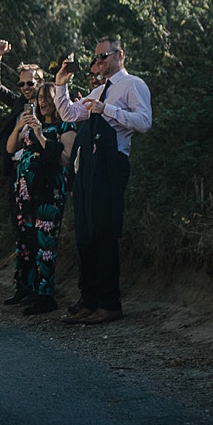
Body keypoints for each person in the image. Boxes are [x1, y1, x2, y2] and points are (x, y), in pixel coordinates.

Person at [51, 36, 151, 325]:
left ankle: (109, 302)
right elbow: (69, 113)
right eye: (95, 58)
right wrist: (61, 83)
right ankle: (89, 300)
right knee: (85, 233)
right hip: (89, 169)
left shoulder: (133, 85)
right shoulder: (100, 89)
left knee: (104, 233)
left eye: (103, 56)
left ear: (120, 54)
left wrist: (106, 109)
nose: (98, 62)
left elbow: (144, 122)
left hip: (111, 164)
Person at [0, 39, 49, 304]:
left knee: (39, 231)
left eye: (31, 83)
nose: (26, 88)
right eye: (22, 83)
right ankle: (23, 287)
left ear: (41, 82)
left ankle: (40, 289)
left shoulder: (52, 107)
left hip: (40, 176)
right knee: (20, 231)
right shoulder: (17, 105)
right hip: (15, 175)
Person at [6, 83, 70, 314]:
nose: (43, 102)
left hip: (48, 192)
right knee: (26, 239)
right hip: (26, 193)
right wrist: (20, 127)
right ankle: (26, 288)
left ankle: (45, 295)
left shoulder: (65, 125)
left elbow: (66, 158)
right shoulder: (32, 122)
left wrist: (41, 136)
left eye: (47, 98)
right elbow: (11, 148)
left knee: (45, 242)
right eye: (40, 98)